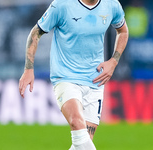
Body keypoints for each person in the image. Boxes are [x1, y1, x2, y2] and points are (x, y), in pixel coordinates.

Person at [19, 0, 128, 149]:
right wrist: (28, 69)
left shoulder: (112, 5)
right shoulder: (62, 5)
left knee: (81, 143)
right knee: (77, 122)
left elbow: (123, 31)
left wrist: (113, 61)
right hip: (66, 78)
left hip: (95, 81)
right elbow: (36, 32)